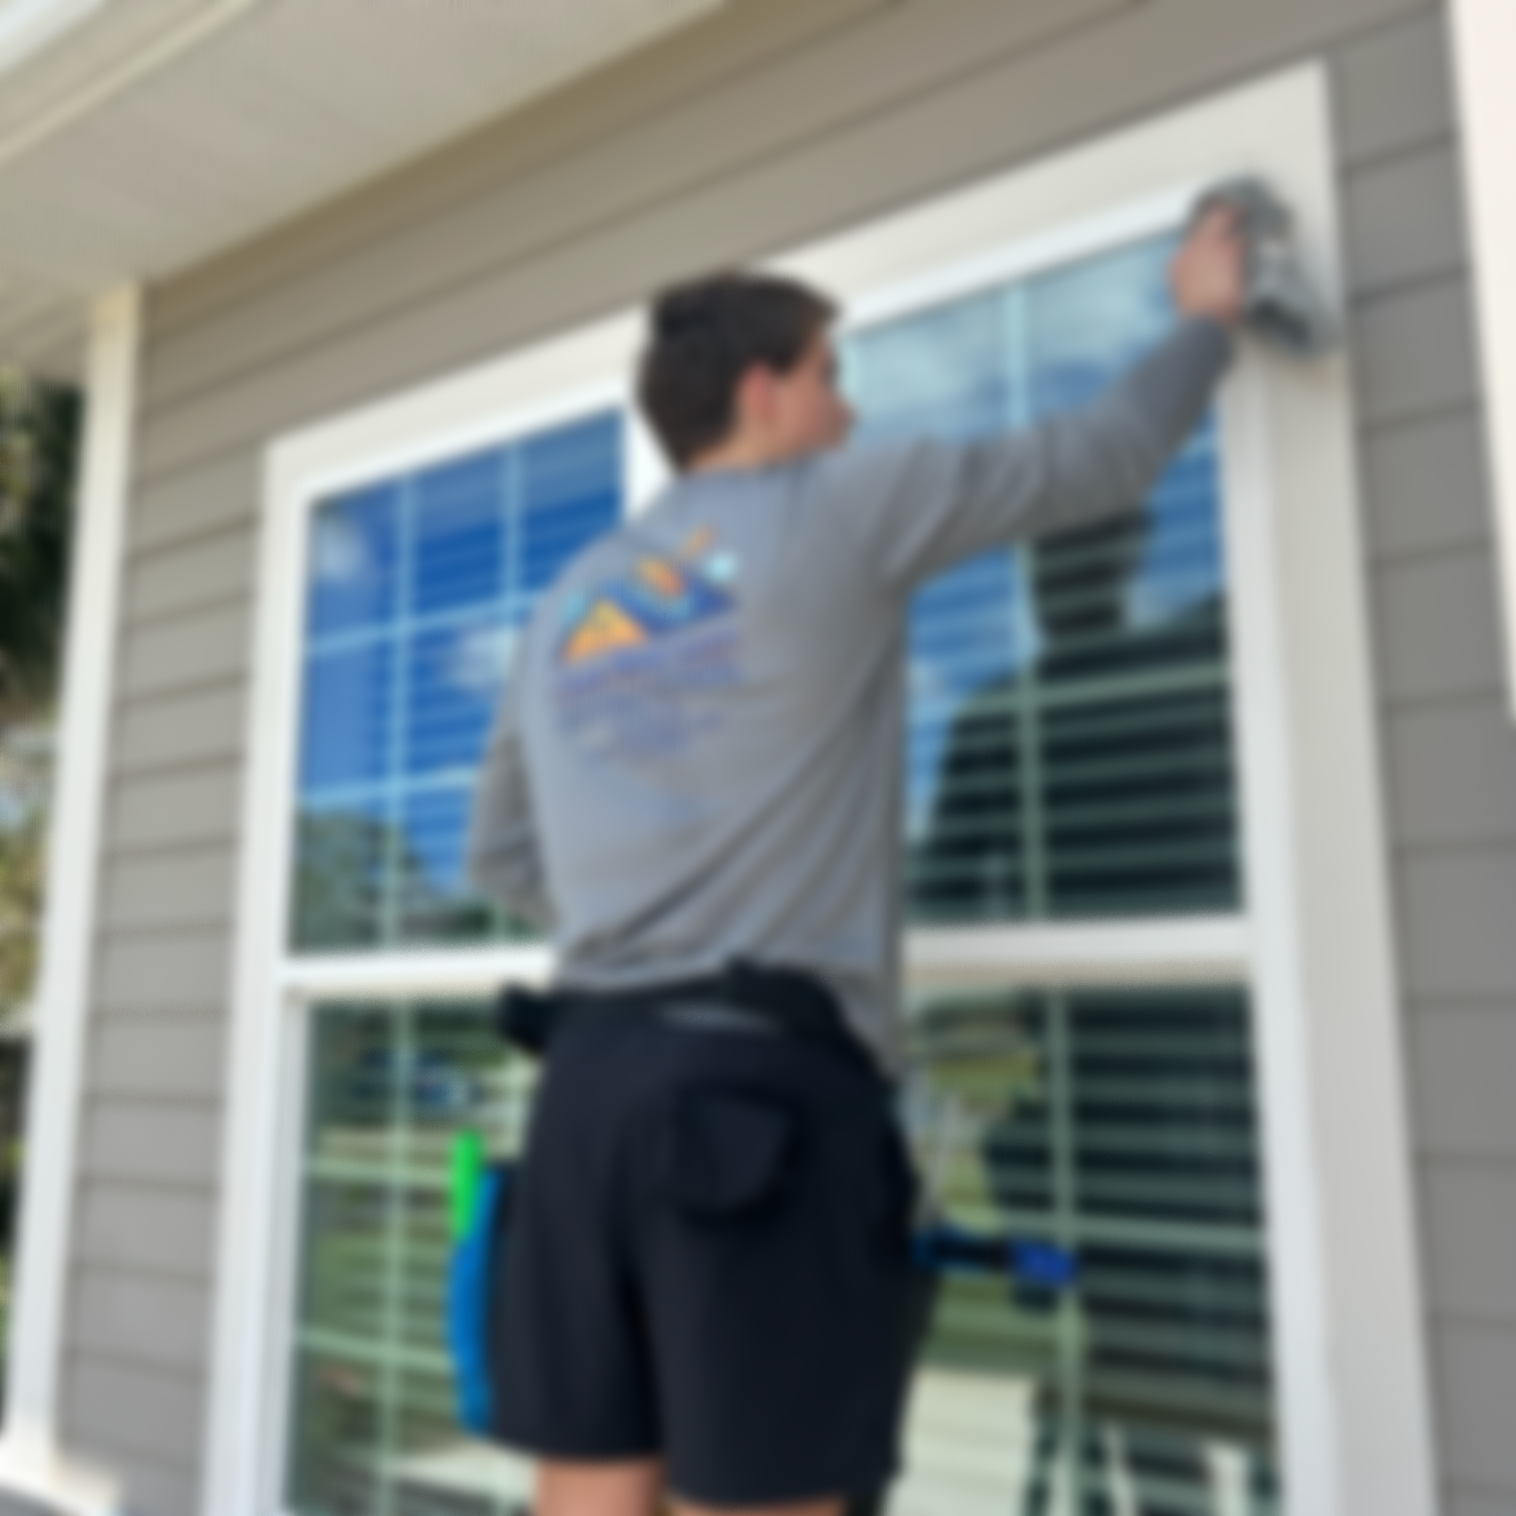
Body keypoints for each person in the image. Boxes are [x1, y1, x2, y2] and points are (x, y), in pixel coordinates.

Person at [466, 208, 1247, 1516]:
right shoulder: (836, 507)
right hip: (755, 1104)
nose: (851, 407)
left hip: (583, 1099)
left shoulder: (571, 598)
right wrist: (1208, 318)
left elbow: (499, 847)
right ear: (763, 394)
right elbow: (1102, 459)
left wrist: (643, 920)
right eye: (832, 375)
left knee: (590, 1492)